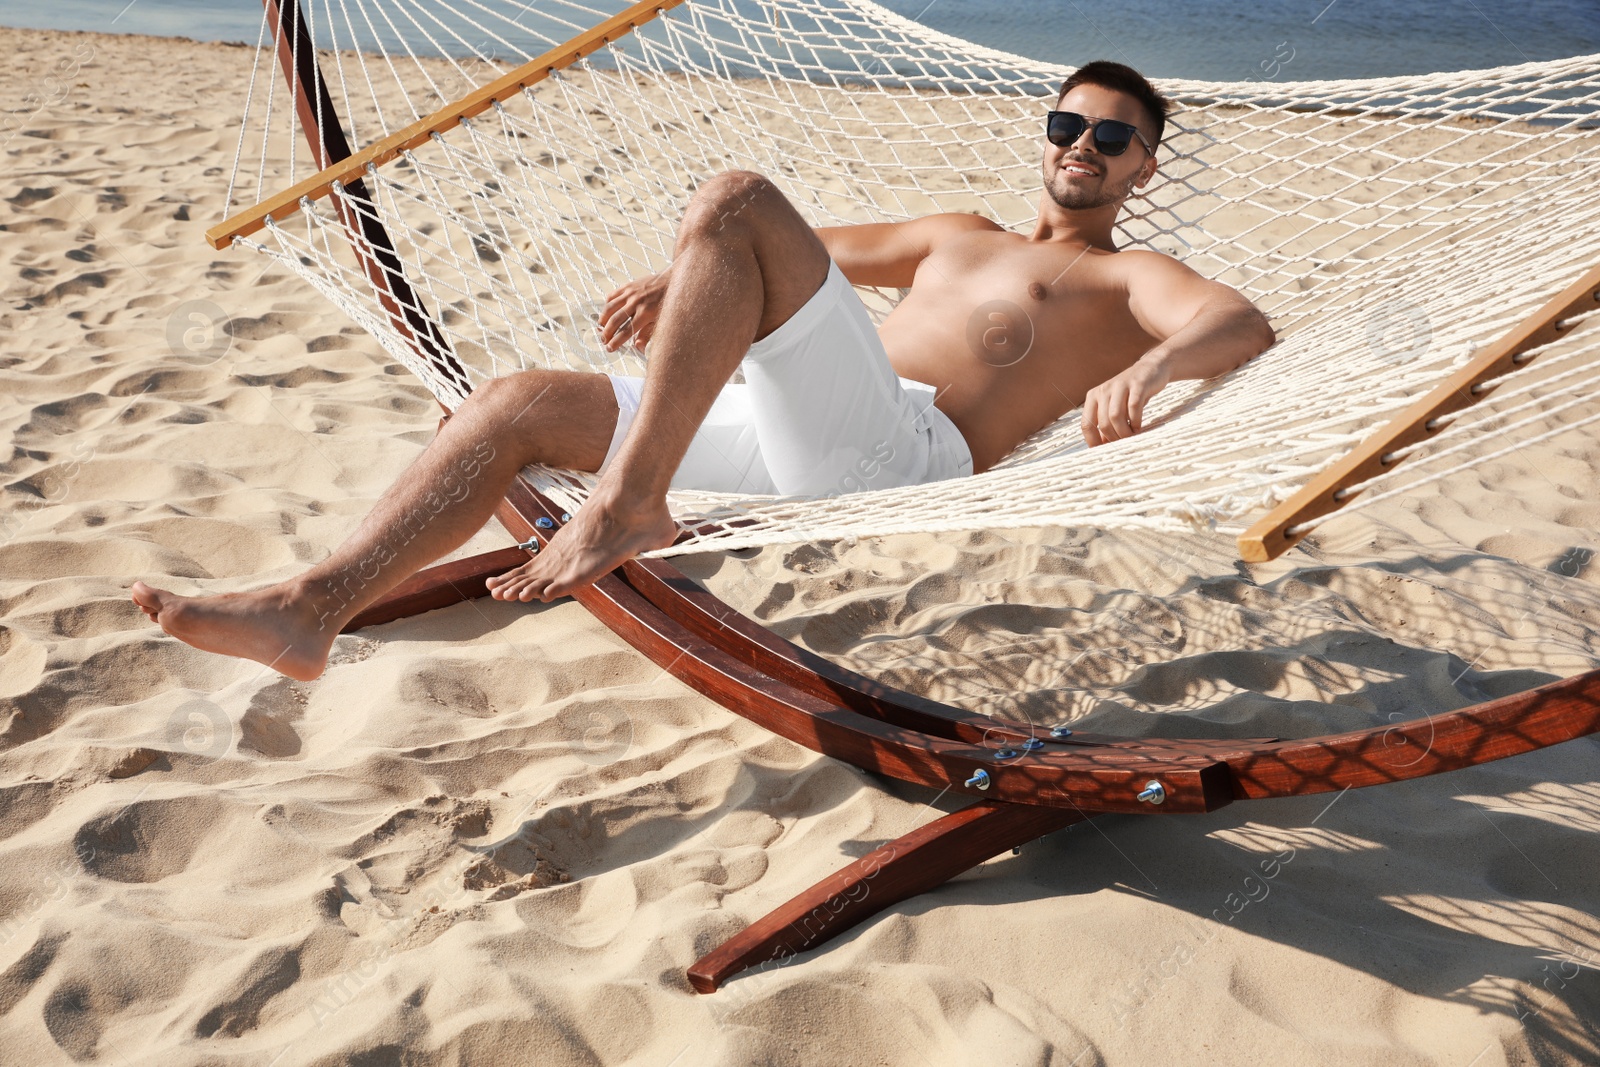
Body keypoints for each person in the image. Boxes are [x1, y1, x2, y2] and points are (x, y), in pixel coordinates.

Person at [131, 60, 1273, 681]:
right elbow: (795, 264)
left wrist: (1155, 368)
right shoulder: (958, 229)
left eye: (1110, 137)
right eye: (1066, 121)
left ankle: (632, 501)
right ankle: (307, 609)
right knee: (515, 402)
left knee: (733, 197)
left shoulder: (1129, 279)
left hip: (900, 454)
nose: (1081, 144)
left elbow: (1241, 322)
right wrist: (678, 277)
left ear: (1141, 166)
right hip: (797, 430)